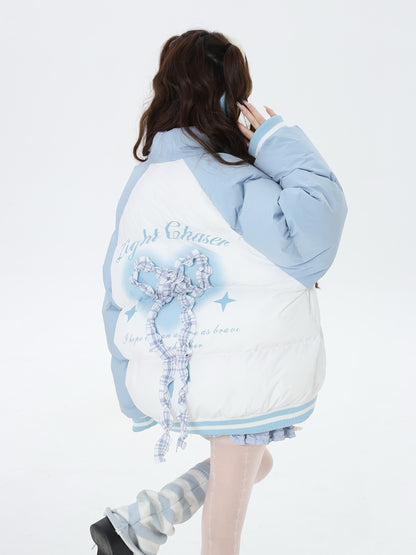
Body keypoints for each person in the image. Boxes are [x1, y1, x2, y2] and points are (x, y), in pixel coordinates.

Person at [90, 28, 348, 555]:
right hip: (240, 374)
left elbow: (116, 291)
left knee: (257, 463)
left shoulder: (140, 186)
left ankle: (144, 521)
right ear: (231, 97)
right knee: (223, 534)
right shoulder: (232, 179)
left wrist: (129, 387)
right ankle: (139, 525)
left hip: (175, 375)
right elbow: (315, 227)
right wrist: (275, 140)